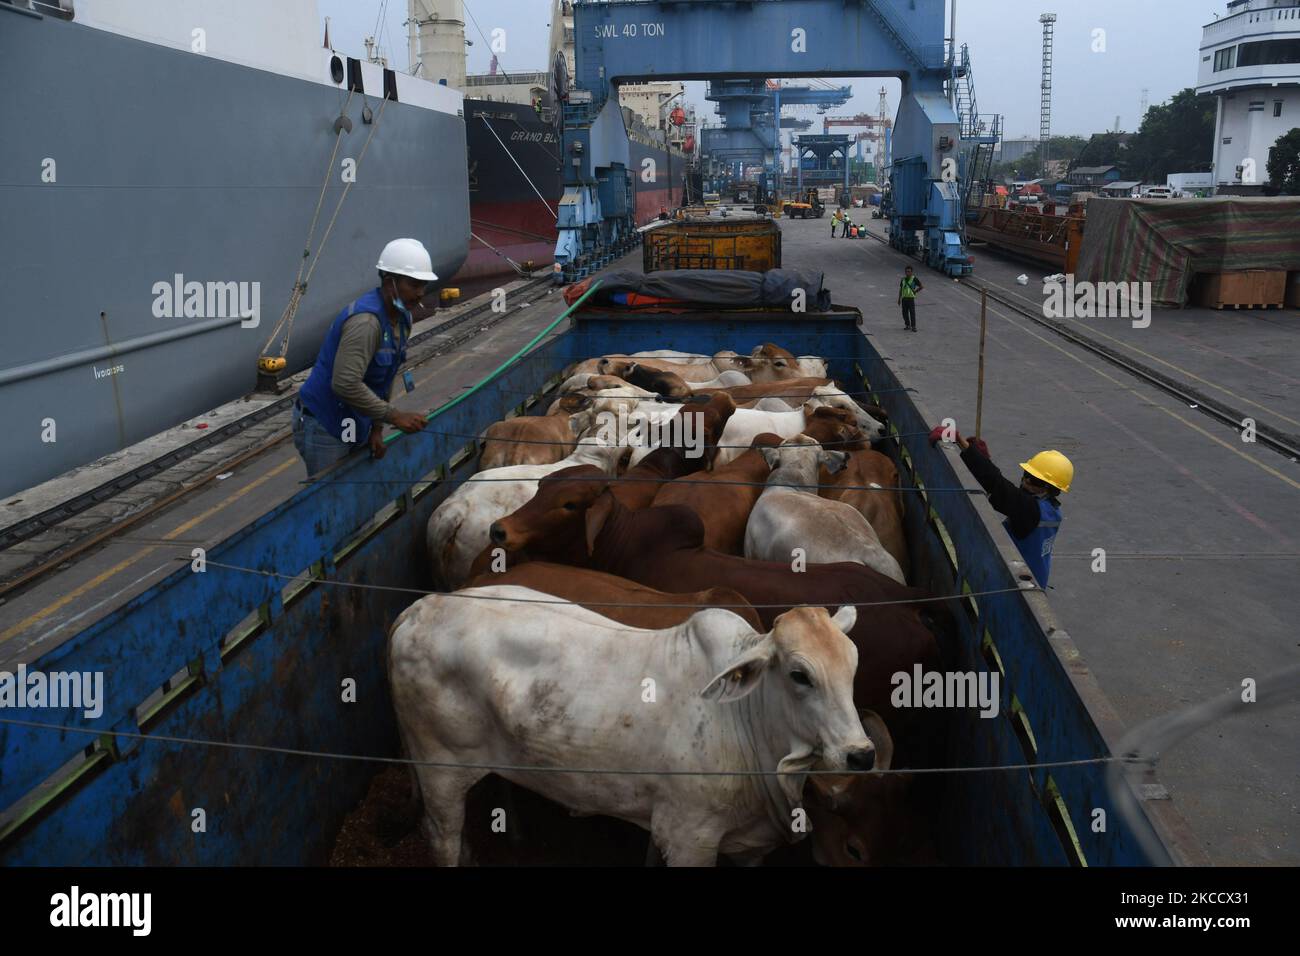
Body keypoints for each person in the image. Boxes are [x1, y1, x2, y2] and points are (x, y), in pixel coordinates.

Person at [293, 238, 432, 477]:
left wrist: (376, 428)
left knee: (353, 497)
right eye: (414, 284)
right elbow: (345, 383)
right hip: (325, 424)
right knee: (333, 502)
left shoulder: (402, 319)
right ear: (390, 284)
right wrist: (395, 416)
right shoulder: (366, 323)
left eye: (423, 285)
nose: (420, 293)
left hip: (356, 420)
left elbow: (384, 378)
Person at [929, 427, 1074, 587]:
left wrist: (963, 443)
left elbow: (998, 485)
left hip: (1017, 586)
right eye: (1026, 475)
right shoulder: (1051, 510)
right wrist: (983, 458)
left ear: (1050, 488)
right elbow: (1006, 488)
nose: (1026, 481)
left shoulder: (1031, 511)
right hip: (1033, 580)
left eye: (1035, 480)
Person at [898, 265, 923, 332]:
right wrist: (899, 299)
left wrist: (916, 291)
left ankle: (913, 326)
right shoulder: (903, 279)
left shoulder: (914, 279)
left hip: (911, 299)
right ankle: (907, 325)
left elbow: (921, 286)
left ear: (911, 272)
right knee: (904, 313)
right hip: (904, 299)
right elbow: (901, 289)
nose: (907, 273)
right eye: (906, 272)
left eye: (909, 272)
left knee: (912, 313)